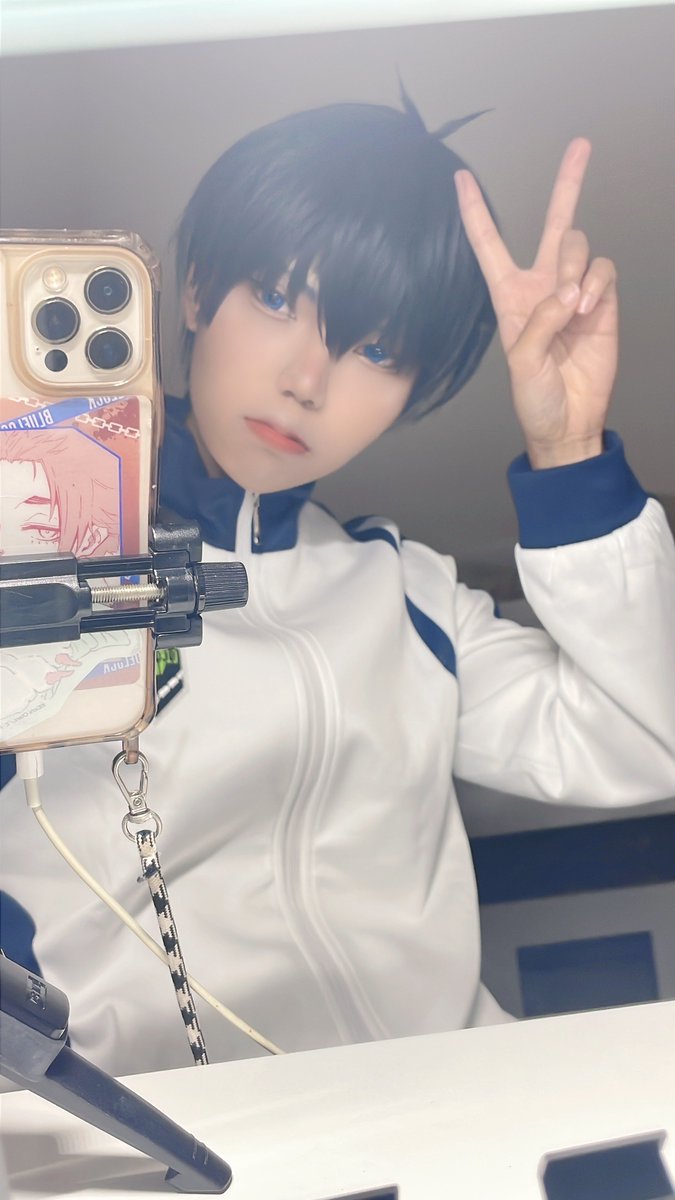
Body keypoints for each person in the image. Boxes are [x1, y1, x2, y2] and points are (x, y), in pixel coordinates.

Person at [1, 98, 674, 1078]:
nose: (308, 379)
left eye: (377, 350)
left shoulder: (407, 596)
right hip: (153, 1133)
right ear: (196, 291)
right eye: (276, 297)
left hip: (455, 1116)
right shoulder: (32, 566)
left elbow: (646, 741)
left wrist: (568, 454)